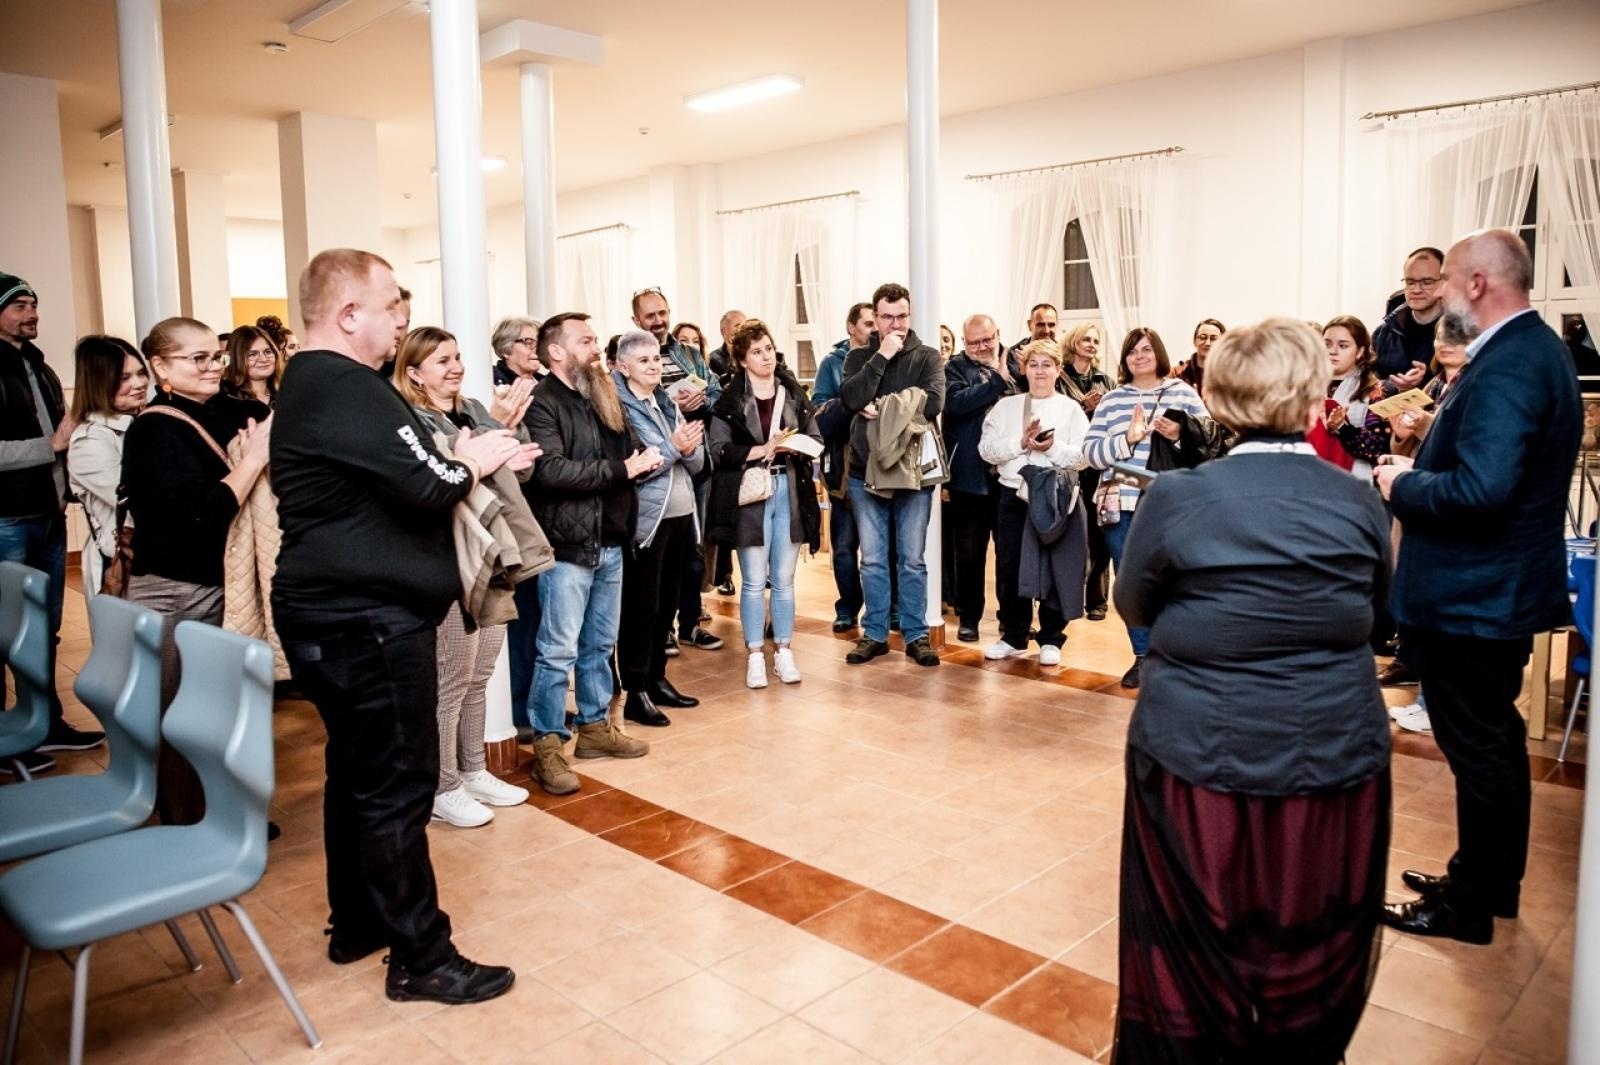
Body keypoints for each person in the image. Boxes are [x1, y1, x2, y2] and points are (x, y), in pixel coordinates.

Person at [1112, 316, 1392, 1063]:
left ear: (1219, 397)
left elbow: (1135, 604)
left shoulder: (1179, 497)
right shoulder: (1359, 501)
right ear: (1309, 394)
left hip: (1200, 754)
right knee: (1310, 922)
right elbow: (1378, 610)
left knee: (1194, 938)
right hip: (1331, 756)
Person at [272, 248, 531, 1003]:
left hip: (344, 615)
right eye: (391, 304)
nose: (401, 317)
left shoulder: (324, 384)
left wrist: (456, 455)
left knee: (356, 774)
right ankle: (423, 955)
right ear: (348, 314)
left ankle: (360, 919)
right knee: (396, 785)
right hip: (365, 622)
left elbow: (404, 470)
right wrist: (475, 457)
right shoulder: (343, 384)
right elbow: (430, 481)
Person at [1376, 228, 1582, 945]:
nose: (1427, 297)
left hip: (1476, 595)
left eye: (1449, 277)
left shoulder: (1510, 364)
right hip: (1489, 590)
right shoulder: (1532, 352)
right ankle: (1488, 879)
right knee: (1492, 741)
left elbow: (1482, 489)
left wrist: (1403, 481)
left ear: (1476, 284)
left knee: (1480, 748)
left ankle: (1470, 902)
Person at [122, 317, 272, 825]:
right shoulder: (154, 430)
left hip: (226, 585)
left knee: (228, 708)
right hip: (176, 590)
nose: (213, 367)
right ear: (160, 366)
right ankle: (188, 820)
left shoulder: (229, 410)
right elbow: (203, 513)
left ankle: (226, 810)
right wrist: (251, 461)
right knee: (184, 715)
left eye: (217, 356)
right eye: (197, 359)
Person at [392, 326, 536, 828]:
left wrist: (514, 448)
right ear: (413, 372)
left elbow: (511, 475)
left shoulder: (474, 409)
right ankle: (443, 785)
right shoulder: (407, 418)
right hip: (447, 559)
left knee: (481, 675)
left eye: (456, 357)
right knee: (451, 677)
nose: (454, 367)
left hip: (490, 555)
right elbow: (433, 482)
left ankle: (473, 770)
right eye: (440, 361)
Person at [525, 312, 660, 796]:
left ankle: (596, 727)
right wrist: (623, 470)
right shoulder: (543, 403)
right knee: (556, 650)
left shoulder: (601, 395)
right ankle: (548, 743)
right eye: (585, 340)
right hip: (566, 545)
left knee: (600, 645)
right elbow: (552, 473)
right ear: (556, 352)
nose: (595, 348)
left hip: (610, 539)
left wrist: (643, 461)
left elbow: (633, 447)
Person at [0, 272, 106, 774]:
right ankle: (11, 733)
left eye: (34, 303)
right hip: (7, 519)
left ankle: (46, 722)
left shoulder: (37, 366)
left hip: (48, 513)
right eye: (20, 305)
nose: (32, 313)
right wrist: (53, 447)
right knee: (8, 632)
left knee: (45, 629)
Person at [1082, 327, 1208, 688]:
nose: (1139, 356)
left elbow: (1210, 441)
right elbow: (1090, 454)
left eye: (1147, 350)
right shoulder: (1111, 400)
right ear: (1124, 359)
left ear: (1160, 354)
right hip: (1118, 503)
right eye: (1132, 351)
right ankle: (1144, 656)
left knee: (1172, 580)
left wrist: (1178, 434)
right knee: (1132, 582)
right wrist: (1127, 438)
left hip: (1168, 501)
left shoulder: (1182, 393)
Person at [706, 319, 822, 688]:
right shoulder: (729, 400)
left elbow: (814, 433)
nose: (766, 356)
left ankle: (784, 651)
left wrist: (797, 446)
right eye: (756, 351)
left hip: (789, 486)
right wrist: (763, 449)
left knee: (785, 580)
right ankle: (755, 654)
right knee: (754, 580)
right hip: (750, 493)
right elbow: (718, 450)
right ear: (741, 359)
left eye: (769, 348)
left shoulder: (790, 389)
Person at [839, 283, 946, 667]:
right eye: (886, 317)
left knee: (912, 559)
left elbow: (933, 403)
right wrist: (881, 357)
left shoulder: (928, 356)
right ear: (876, 317)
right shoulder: (859, 358)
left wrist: (881, 406)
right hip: (864, 470)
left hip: (915, 472)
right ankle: (875, 634)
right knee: (872, 559)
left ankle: (917, 635)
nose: (895, 324)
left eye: (901, 316)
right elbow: (851, 398)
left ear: (910, 315)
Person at [1382, 320, 1472, 732]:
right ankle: (1420, 679)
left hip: (1442, 500)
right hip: (1415, 494)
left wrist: (1420, 427)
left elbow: (1458, 446)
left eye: (1456, 337)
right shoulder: (1436, 385)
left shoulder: (1473, 386)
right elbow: (1410, 440)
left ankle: (1433, 700)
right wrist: (1401, 433)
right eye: (1440, 337)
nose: (1446, 344)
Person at [612, 330, 705, 726]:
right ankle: (636, 690)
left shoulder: (664, 401)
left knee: (668, 603)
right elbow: (643, 461)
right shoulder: (621, 407)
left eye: (656, 359)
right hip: (649, 521)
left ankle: (657, 678)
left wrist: (684, 449)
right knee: (641, 609)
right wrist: (676, 448)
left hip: (682, 513)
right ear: (622, 366)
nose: (654, 366)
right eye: (644, 361)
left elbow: (696, 458)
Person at [978, 339, 1089, 665]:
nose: (1040, 371)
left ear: (1057, 369)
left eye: (1047, 364)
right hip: (1014, 494)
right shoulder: (1005, 407)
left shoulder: (1071, 409)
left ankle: (1052, 638)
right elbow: (986, 450)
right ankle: (1014, 635)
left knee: (1055, 567)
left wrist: (1051, 449)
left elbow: (1083, 456)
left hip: (1055, 497)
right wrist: (1021, 443)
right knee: (1010, 566)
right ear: (1023, 369)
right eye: (1034, 364)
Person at [631, 288, 723, 654]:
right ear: (637, 320)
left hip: (692, 463)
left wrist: (701, 401)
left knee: (692, 549)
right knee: (659, 553)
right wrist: (672, 404)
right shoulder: (631, 355)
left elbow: (715, 391)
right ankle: (661, 629)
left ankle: (690, 623)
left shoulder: (687, 355)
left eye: (663, 312)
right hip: (654, 466)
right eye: (650, 315)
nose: (659, 320)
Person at [942, 314, 1012, 642]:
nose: (983, 347)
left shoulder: (1017, 363)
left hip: (1010, 476)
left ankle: (1011, 617)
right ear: (963, 341)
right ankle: (969, 617)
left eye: (988, 339)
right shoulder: (953, 369)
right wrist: (996, 382)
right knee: (968, 554)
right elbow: (955, 405)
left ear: (998, 334)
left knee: (1010, 553)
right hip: (968, 477)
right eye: (975, 342)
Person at [67, 335, 148, 599]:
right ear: (98, 382)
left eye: (140, 373)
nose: (138, 384)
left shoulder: (143, 422)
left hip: (154, 558)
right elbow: (137, 503)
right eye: (124, 377)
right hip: (118, 562)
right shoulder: (89, 440)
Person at [814, 301, 876, 631]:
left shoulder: (886, 359)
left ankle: (886, 608)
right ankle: (848, 606)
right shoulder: (831, 364)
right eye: (867, 323)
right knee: (843, 547)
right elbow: (819, 414)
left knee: (881, 549)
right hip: (842, 465)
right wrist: (852, 402)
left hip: (881, 464)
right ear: (851, 327)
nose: (874, 329)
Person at [1058, 322, 1113, 621]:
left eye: (1095, 340)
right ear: (1073, 342)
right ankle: (1068, 596)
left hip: (1097, 464)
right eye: (1086, 339)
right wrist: (1084, 406)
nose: (1091, 344)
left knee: (1100, 534)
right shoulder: (1059, 376)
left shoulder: (1106, 379)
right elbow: (1055, 416)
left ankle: (1097, 600)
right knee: (1070, 534)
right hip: (1068, 462)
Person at [1318, 315, 1391, 479]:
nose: (1332, 351)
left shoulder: (1374, 390)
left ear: (1359, 352)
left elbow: (1379, 448)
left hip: (1355, 480)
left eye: (1343, 346)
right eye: (1326, 344)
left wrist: (1343, 428)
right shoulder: (1306, 386)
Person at [1372, 246, 1446, 392]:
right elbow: (1367, 382)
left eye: (1427, 282)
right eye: (1410, 282)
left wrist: (1425, 380)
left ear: (1444, 282)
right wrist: (1395, 386)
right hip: (1385, 414)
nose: (1416, 290)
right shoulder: (1383, 332)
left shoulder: (1458, 334)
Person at [219, 324, 282, 417]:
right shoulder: (223, 399)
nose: (264, 359)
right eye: (252, 354)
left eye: (268, 352)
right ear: (236, 359)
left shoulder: (287, 394)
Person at [1172, 318, 1224, 393]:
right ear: (1195, 341)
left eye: (1213, 339)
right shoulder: (1176, 373)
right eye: (1202, 337)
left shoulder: (1229, 375)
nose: (1207, 343)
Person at [491, 316, 544, 388]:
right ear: (505, 350)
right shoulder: (490, 382)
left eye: (541, 343)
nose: (538, 349)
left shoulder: (549, 385)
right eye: (528, 342)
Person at [706, 309, 747, 386]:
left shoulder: (756, 354)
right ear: (723, 332)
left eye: (745, 326)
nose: (744, 330)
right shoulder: (712, 359)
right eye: (738, 326)